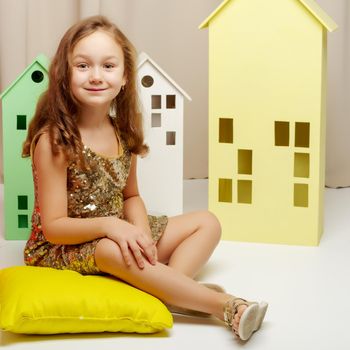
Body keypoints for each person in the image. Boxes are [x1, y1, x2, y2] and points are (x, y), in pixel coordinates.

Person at [22, 15, 267, 341]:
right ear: (64, 75)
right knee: (112, 250)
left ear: (125, 77)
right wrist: (112, 227)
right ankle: (225, 306)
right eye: (83, 66)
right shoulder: (55, 140)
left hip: (119, 228)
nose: (96, 76)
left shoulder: (122, 131)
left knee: (207, 222)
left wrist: (140, 233)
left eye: (108, 66)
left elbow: (131, 197)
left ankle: (167, 289)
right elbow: (53, 227)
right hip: (66, 245)